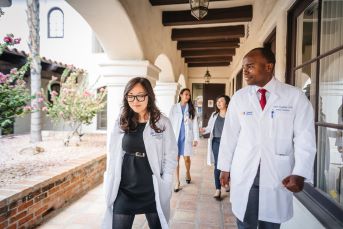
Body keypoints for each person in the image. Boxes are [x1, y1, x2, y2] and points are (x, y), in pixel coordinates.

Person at [218, 47, 316, 229]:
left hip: (277, 174)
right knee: (245, 221)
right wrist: (224, 167)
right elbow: (229, 136)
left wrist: (300, 172)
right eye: (244, 67)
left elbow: (305, 138)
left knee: (269, 224)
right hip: (245, 170)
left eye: (250, 66)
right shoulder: (239, 98)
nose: (245, 71)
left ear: (268, 67)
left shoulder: (294, 97)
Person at [102, 77, 178, 229]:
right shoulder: (122, 121)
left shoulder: (162, 122)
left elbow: (170, 155)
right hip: (125, 186)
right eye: (130, 96)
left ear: (149, 96)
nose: (135, 100)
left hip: (151, 186)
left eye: (140, 95)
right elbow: (114, 151)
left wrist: (167, 179)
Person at [200, 95, 230, 199]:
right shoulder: (214, 115)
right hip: (216, 142)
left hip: (228, 143)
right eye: (218, 101)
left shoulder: (231, 115)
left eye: (221, 101)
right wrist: (203, 130)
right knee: (218, 164)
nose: (219, 102)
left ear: (226, 103)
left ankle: (226, 183)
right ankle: (218, 189)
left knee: (228, 163)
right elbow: (209, 128)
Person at [169, 88, 199, 192]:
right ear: (181, 95)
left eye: (189, 95)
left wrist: (196, 138)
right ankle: (177, 182)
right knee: (176, 159)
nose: (187, 96)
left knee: (186, 159)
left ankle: (187, 172)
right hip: (176, 137)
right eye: (186, 94)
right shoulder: (174, 108)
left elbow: (195, 124)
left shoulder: (191, 108)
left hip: (186, 137)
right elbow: (170, 123)